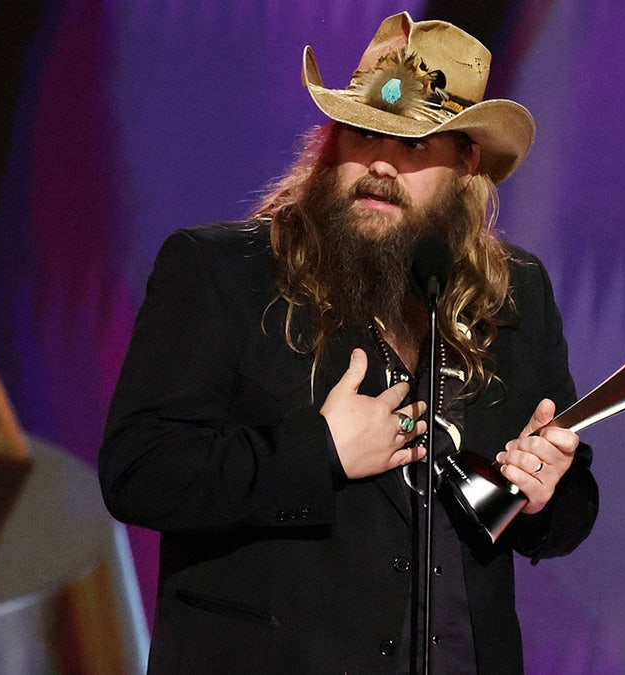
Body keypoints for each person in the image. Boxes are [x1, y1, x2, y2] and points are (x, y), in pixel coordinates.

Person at [99, 12, 598, 674]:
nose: (383, 163)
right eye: (365, 134)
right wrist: (319, 452)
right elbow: (139, 470)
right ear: (331, 143)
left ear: (466, 165)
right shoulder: (224, 273)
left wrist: (543, 496)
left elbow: (569, 509)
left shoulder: (516, 295)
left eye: (417, 145)